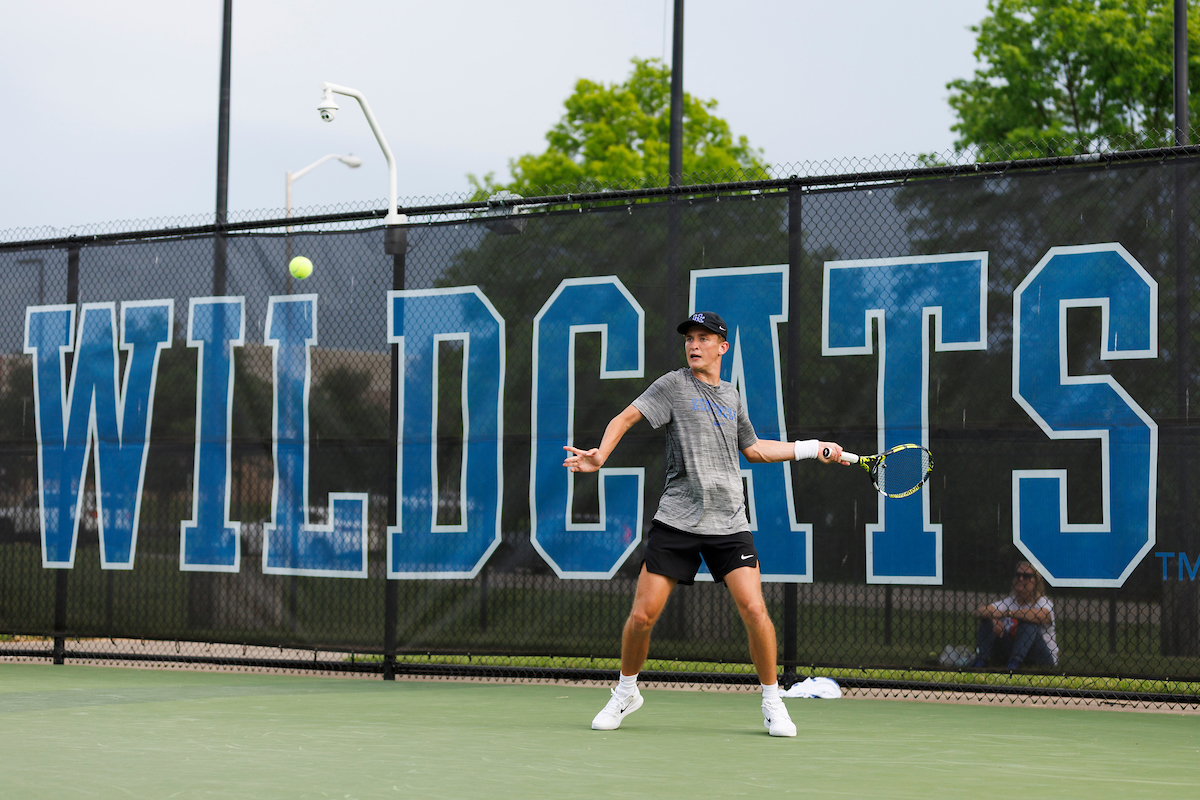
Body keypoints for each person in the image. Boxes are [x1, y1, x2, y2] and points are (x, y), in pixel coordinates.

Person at [563, 311, 844, 737]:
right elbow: (624, 418)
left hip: (729, 522)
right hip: (676, 520)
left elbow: (753, 450)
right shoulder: (672, 386)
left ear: (721, 347)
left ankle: (773, 703)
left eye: (703, 338)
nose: (694, 345)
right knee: (642, 617)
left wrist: (810, 448)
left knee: (754, 609)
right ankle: (625, 692)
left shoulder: (732, 397)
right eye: (689, 339)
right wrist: (599, 456)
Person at [972, 561, 1059, 670]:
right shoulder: (1010, 601)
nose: (1020, 579)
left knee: (1028, 621)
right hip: (1012, 650)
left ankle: (1015, 662)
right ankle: (981, 660)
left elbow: (1040, 616)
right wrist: (993, 619)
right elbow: (980, 611)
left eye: (1026, 576)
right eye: (1018, 575)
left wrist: (1007, 613)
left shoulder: (1043, 602)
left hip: (1040, 655)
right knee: (986, 621)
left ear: (1036, 582)